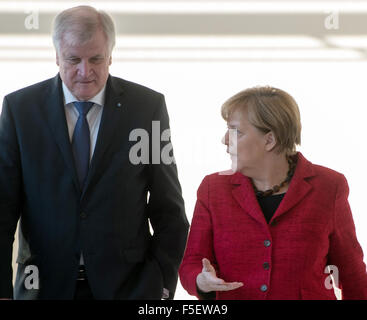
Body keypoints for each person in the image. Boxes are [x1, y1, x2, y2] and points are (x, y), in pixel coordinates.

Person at [0, 5, 188, 300]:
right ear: (57, 56)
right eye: (73, 60)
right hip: (42, 288)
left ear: (110, 55)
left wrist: (161, 283)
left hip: (129, 289)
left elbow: (169, 209)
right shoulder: (20, 109)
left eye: (96, 59)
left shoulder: (146, 108)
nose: (85, 72)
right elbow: (3, 208)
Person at [179, 86, 367, 300]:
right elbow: (192, 264)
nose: (225, 139)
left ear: (270, 140)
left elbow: (352, 273)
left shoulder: (329, 186)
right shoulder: (213, 188)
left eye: (236, 132)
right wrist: (201, 282)